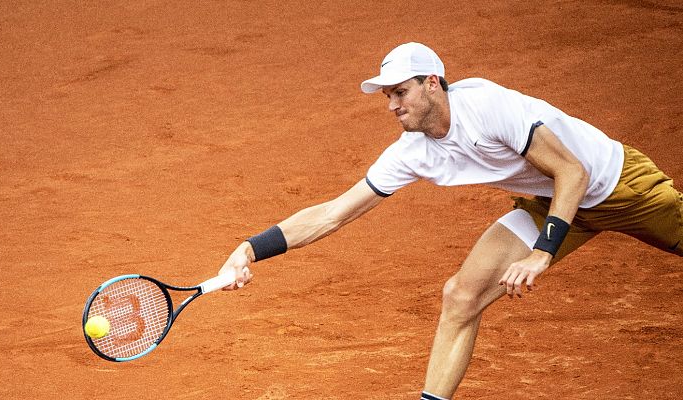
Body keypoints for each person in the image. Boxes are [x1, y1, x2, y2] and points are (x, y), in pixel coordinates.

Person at [218, 42, 683, 399]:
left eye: (400, 92)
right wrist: (249, 248)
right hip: (550, 203)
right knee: (461, 295)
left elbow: (572, 171)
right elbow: (333, 214)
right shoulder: (412, 151)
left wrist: (543, 253)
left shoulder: (486, 106)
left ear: (433, 83)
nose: (392, 105)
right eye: (387, 96)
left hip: (618, 185)